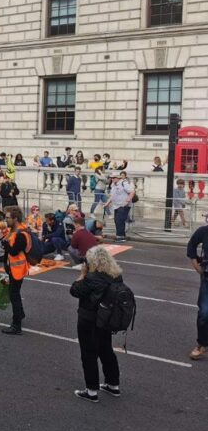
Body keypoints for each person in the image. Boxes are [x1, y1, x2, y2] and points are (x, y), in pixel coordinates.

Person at [69, 246, 123, 402]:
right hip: (106, 319)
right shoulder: (115, 275)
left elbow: (74, 290)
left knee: (88, 353)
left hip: (89, 319)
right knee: (106, 350)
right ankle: (113, 384)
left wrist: (83, 273)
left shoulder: (92, 278)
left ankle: (91, 390)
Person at [1, 207, 29, 335]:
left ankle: (16, 326)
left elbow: (14, 251)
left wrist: (6, 245)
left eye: (7, 217)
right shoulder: (13, 230)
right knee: (15, 294)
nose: (5, 220)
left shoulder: (21, 233)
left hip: (17, 269)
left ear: (15, 219)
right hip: (13, 267)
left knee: (14, 296)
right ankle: (20, 315)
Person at [186, 220, 208, 360]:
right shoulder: (204, 231)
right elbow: (192, 244)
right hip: (207, 278)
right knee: (204, 313)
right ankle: (202, 345)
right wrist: (195, 264)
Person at [105, 172, 134, 242]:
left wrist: (127, 201)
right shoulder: (113, 185)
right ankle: (122, 235)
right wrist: (107, 203)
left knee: (119, 220)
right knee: (117, 220)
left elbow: (132, 192)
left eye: (114, 178)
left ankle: (120, 236)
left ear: (118, 178)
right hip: (116, 206)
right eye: (111, 178)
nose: (112, 179)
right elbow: (112, 196)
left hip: (123, 205)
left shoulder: (124, 183)